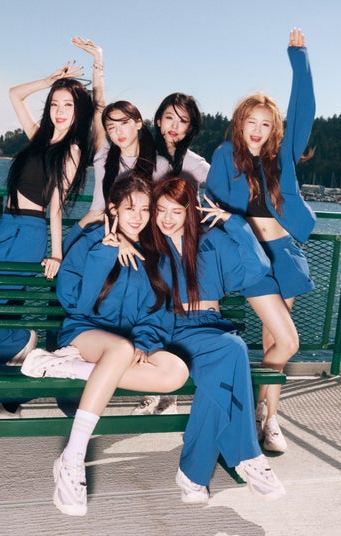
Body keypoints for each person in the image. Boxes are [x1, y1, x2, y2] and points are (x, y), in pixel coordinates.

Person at [20, 173, 189, 516]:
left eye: (145, 209)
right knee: (120, 351)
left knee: (176, 372)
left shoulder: (159, 253)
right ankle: (72, 457)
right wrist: (105, 253)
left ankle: (65, 367)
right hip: (85, 333)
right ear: (113, 209)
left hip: (128, 343)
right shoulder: (89, 242)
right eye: (129, 208)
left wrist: (144, 342)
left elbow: (161, 312)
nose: (138, 217)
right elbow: (75, 304)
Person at [204, 28, 316, 453]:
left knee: (275, 340)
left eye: (266, 124)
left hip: (285, 252)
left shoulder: (282, 156)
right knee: (284, 339)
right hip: (252, 258)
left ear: (274, 130)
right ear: (240, 123)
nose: (257, 129)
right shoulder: (223, 155)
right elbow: (212, 209)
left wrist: (299, 58)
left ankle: (269, 417)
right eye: (251, 122)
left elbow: (305, 109)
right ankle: (258, 412)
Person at [0, 63, 94, 419]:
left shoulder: (71, 150)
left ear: (79, 112)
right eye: (55, 103)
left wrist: (56, 253)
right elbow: (14, 94)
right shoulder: (39, 137)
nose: (60, 111)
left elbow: (56, 206)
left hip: (27, 233)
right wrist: (48, 80)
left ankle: (21, 343)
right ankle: (12, 384)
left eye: (68, 105)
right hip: (6, 228)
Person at [152, 175, 286, 503]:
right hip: (174, 331)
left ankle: (194, 474)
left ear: (190, 211)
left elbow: (258, 266)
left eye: (176, 211)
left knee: (219, 380)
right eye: (160, 210)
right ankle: (247, 456)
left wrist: (234, 222)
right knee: (234, 350)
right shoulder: (149, 247)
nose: (167, 218)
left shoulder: (211, 240)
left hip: (211, 327)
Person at [133, 92, 211, 416]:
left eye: (183, 120)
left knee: (176, 312)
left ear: (191, 127)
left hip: (180, 249)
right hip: (147, 245)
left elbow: (227, 189)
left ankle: (169, 393)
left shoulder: (195, 163)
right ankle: (153, 386)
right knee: (148, 309)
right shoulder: (143, 156)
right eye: (169, 118)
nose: (174, 126)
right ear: (158, 120)